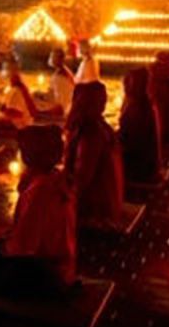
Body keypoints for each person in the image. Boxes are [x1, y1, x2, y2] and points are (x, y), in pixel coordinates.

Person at [0, 124, 76, 297]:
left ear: (32, 155)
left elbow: (24, 246)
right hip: (60, 268)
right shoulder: (54, 177)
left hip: (49, 273)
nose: (20, 154)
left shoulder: (40, 190)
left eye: (24, 149)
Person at [65, 81, 124, 230]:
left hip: (98, 211)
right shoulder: (101, 126)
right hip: (109, 202)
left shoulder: (90, 135)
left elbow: (81, 181)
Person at [118, 66, 162, 184]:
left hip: (139, 167)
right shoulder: (146, 102)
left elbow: (129, 142)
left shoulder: (137, 108)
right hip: (147, 163)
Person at [0, 57, 38, 131]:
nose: (2, 71)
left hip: (18, 129)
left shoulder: (16, 91)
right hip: (19, 126)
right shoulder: (17, 88)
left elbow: (15, 115)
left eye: (5, 69)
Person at [38, 47, 76, 118]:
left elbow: (57, 98)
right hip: (65, 106)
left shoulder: (59, 76)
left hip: (61, 108)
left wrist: (41, 96)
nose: (51, 59)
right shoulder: (64, 72)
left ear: (60, 59)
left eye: (53, 57)